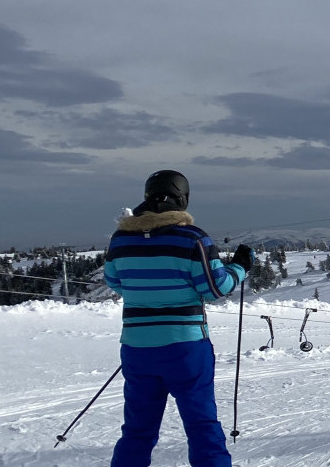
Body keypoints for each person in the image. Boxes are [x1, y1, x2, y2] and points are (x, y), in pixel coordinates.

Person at [103, 170, 251, 467]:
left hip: (136, 347)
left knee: (137, 430)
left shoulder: (120, 240)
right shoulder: (192, 238)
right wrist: (240, 267)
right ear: (182, 199)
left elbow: (115, 282)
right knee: (201, 425)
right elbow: (215, 288)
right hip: (186, 348)